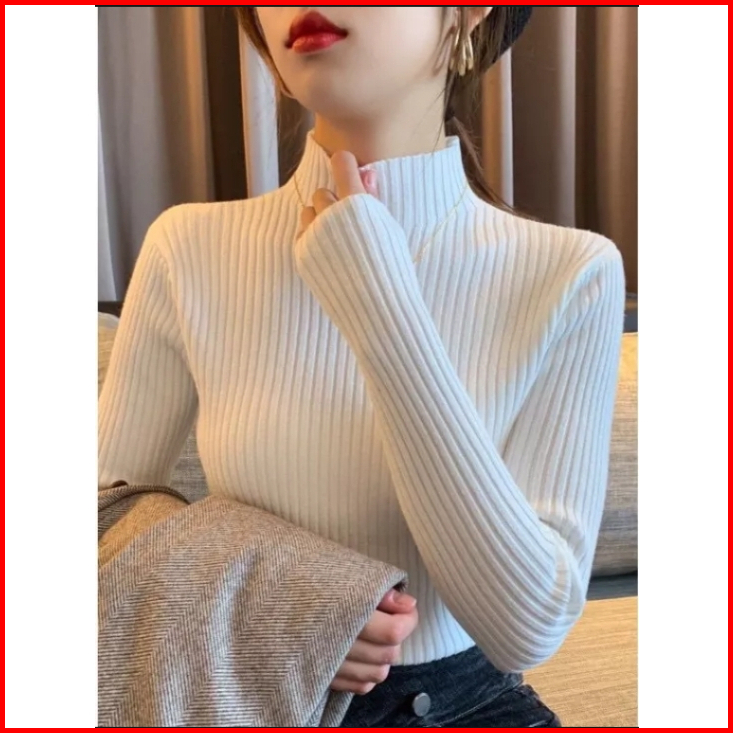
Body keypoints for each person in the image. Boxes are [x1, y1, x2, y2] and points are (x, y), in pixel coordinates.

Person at [99, 6, 626, 728]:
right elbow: (101, 522)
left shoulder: (571, 272)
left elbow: (527, 628)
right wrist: (285, 602)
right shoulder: (186, 249)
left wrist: (381, 303)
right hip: (248, 696)